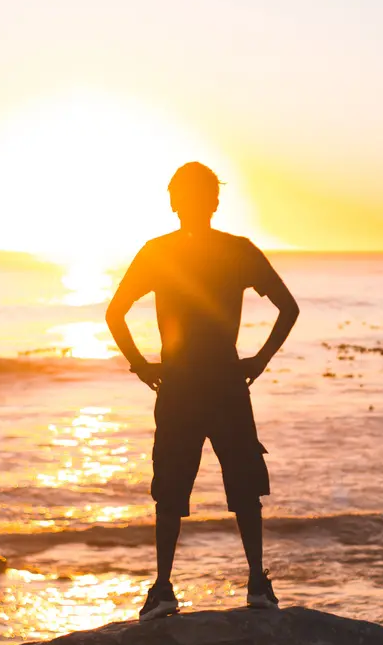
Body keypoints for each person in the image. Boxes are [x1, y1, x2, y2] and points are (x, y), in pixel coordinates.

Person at [106, 162, 299, 621]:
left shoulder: (158, 252)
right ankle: (256, 583)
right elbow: (288, 308)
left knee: (170, 490)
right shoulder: (237, 251)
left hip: (178, 385)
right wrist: (258, 360)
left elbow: (115, 313)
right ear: (213, 201)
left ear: (176, 201)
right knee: (243, 487)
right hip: (226, 383)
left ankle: (165, 588)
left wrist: (141, 366)